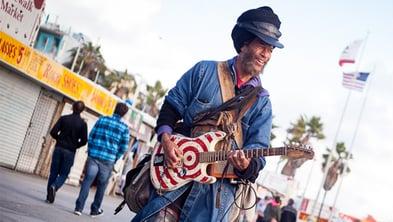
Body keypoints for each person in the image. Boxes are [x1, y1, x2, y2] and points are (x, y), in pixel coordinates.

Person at [132, 5, 283, 222]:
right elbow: (172, 106)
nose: (266, 55)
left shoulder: (262, 103)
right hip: (175, 180)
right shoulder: (204, 71)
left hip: (217, 198)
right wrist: (166, 139)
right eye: (262, 46)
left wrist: (246, 165)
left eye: (270, 50)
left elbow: (258, 150)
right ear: (244, 43)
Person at [74, 102, 130, 217]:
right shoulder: (124, 128)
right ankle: (94, 210)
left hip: (94, 156)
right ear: (124, 114)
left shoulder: (102, 120)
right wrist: (115, 158)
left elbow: (92, 136)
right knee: (101, 185)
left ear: (114, 109)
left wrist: (90, 151)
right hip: (108, 159)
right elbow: (123, 147)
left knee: (87, 182)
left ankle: (78, 208)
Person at [46, 101, 88, 203]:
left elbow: (53, 132)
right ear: (82, 110)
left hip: (59, 148)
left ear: (72, 107)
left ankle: (49, 197)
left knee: (54, 172)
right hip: (70, 151)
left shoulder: (64, 118)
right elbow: (84, 141)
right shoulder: (83, 124)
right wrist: (75, 145)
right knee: (64, 174)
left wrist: (59, 139)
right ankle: (55, 186)